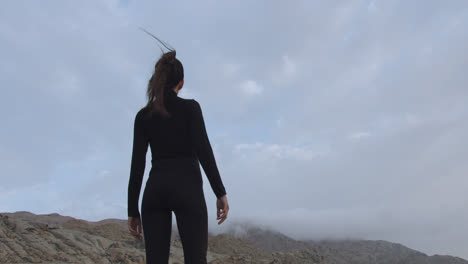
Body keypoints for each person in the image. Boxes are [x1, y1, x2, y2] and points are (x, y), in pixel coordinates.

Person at [127, 49, 229, 264]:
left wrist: (133, 210)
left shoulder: (143, 116)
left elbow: (137, 164)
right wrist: (219, 192)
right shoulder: (190, 108)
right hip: (188, 189)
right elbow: (204, 151)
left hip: (155, 191)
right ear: (180, 83)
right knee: (195, 259)